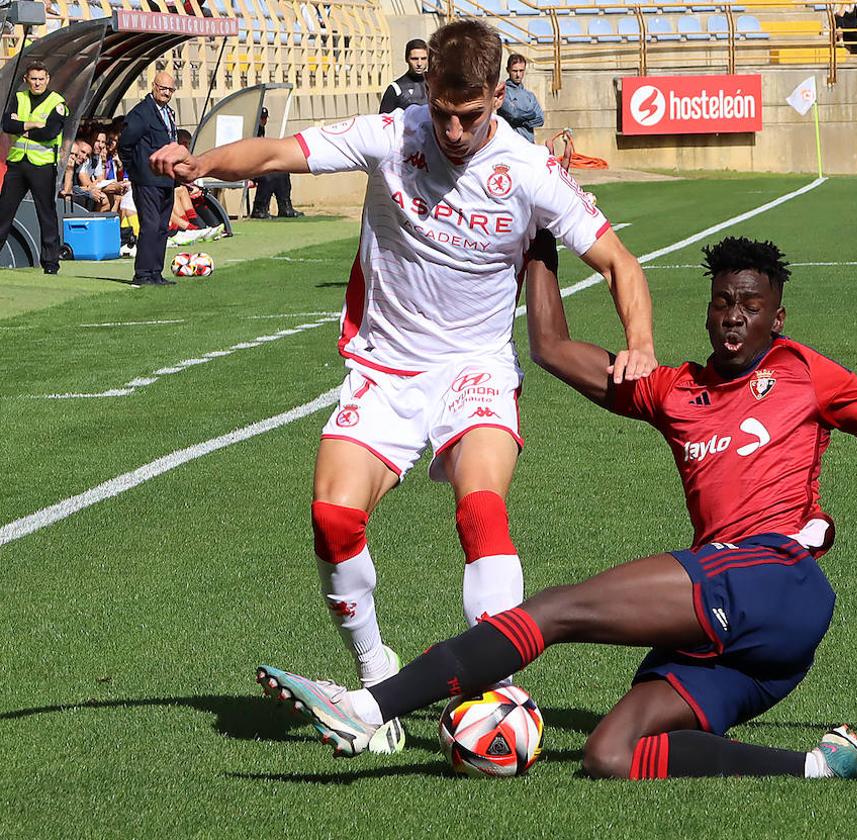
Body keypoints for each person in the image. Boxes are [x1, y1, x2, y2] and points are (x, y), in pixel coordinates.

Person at [256, 232, 857, 780]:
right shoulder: (673, 390)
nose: (731, 318)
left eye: (749, 306)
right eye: (721, 303)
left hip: (777, 582)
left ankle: (371, 708)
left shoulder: (806, 376)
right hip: (744, 636)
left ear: (776, 317)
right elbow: (555, 347)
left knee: (556, 611)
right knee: (610, 754)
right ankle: (818, 765)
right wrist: (537, 237)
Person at [151, 19, 656, 733]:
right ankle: (373, 680)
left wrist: (640, 343)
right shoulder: (393, 134)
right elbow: (277, 151)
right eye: (444, 113)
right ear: (428, 93)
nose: (453, 130)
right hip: (385, 367)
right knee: (332, 521)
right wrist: (201, 165)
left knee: (482, 510)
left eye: (470, 115)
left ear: (499, 93)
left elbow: (619, 264)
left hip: (475, 369)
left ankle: (498, 693)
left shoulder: (531, 172)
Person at [0, 61, 68, 274]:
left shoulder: (57, 102)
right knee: (4, 211)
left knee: (46, 213)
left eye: (41, 79)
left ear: (47, 79)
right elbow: (6, 125)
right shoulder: (18, 98)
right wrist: (31, 125)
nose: (37, 83)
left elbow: (49, 132)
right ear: (26, 80)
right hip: (18, 163)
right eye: (33, 79)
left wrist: (21, 127)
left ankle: (50, 263)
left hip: (43, 165)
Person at [120, 71, 180, 287]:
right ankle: (143, 273)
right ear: (153, 86)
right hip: (147, 179)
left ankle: (156, 271)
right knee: (151, 224)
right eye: (163, 88)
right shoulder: (141, 114)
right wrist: (135, 170)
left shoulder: (168, 113)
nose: (166, 93)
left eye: (170, 90)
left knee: (163, 226)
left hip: (166, 178)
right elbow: (125, 144)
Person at [250, 108, 303, 219]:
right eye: (262, 118)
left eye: (265, 118)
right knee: (268, 177)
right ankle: (259, 209)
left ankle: (285, 207)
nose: (264, 121)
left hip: (260, 165)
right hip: (249, 167)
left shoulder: (261, 129)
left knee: (282, 172)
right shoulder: (250, 131)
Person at [497, 54, 543, 142]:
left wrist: (520, 121)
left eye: (521, 71)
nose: (518, 75)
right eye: (515, 71)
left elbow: (540, 119)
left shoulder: (530, 95)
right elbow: (514, 114)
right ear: (508, 70)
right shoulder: (503, 92)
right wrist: (531, 114)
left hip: (528, 145)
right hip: (509, 145)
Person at [379, 39, 428, 114]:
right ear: (406, 59)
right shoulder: (395, 88)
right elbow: (383, 122)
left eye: (423, 58)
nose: (419, 63)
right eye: (414, 59)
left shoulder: (436, 85)